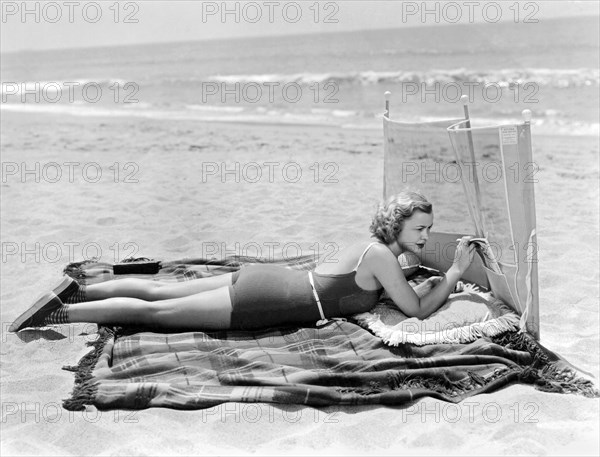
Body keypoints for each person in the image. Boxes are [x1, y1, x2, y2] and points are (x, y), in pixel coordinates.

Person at [9, 191, 475, 332]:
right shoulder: (381, 258)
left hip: (265, 279)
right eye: (420, 230)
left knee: (159, 291)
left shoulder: (371, 249)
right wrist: (453, 273)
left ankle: (78, 291)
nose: (426, 237)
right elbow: (414, 310)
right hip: (266, 300)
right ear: (396, 228)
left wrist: (420, 268)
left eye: (428, 229)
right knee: (154, 314)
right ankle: (60, 313)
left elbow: (390, 280)